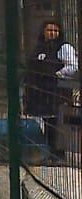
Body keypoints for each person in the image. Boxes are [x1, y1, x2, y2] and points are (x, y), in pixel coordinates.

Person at [26, 20, 79, 158]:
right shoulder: (40, 47)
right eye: (50, 30)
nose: (53, 34)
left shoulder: (64, 47)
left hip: (57, 90)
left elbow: (72, 66)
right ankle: (50, 151)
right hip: (41, 91)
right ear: (44, 31)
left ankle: (58, 153)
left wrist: (57, 74)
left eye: (56, 31)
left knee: (57, 122)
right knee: (47, 121)